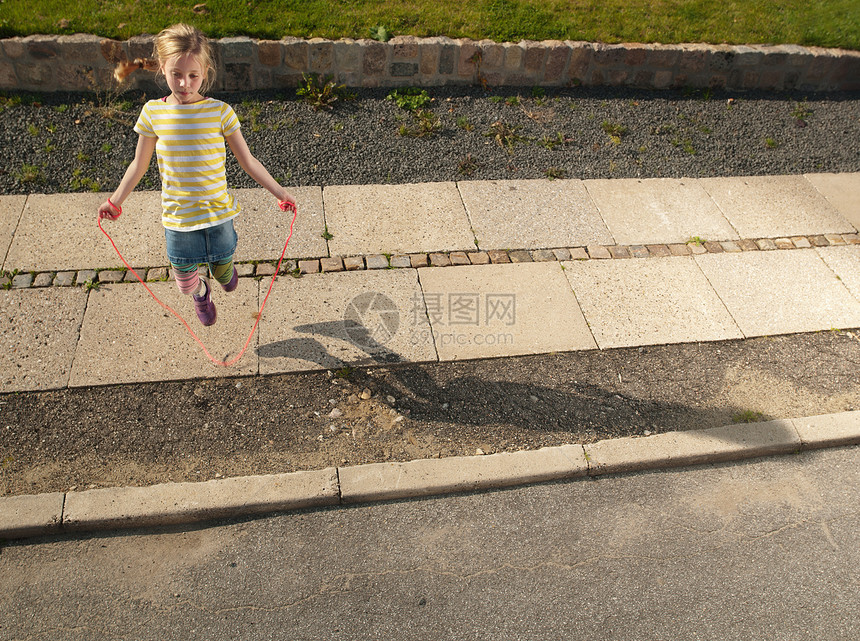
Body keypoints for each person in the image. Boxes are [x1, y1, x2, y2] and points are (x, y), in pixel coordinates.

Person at [98, 23, 296, 326]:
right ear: (162, 68)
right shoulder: (153, 113)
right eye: (176, 74)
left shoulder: (220, 112)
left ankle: (223, 273)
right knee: (185, 283)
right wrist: (115, 201)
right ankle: (201, 294)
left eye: (193, 75)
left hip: (217, 213)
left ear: (204, 73)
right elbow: (138, 165)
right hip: (179, 218)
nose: (185, 83)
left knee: (223, 270)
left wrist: (280, 192)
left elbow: (248, 161)